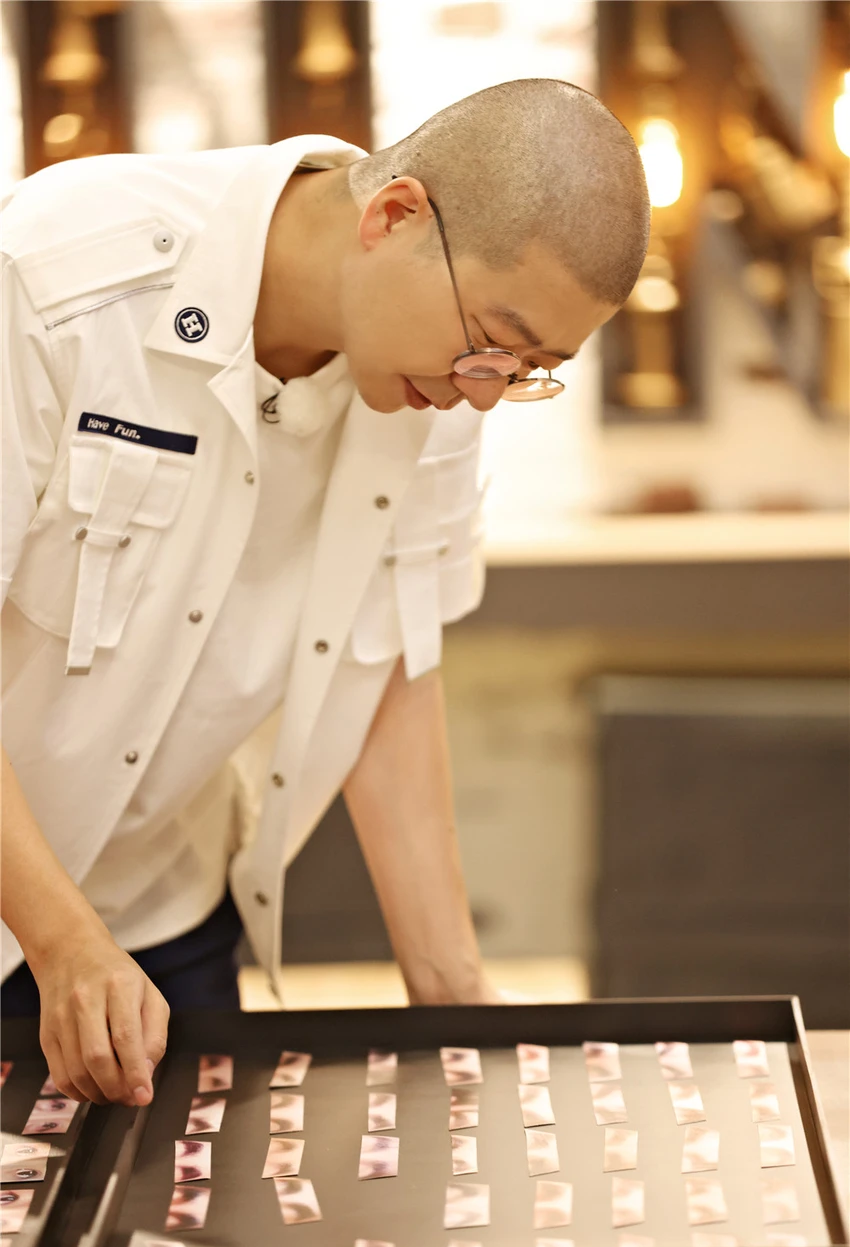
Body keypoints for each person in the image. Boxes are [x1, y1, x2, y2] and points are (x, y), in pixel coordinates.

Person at [1, 79, 649, 1109]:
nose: (487, 391)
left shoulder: (442, 383)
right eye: (494, 338)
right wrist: (61, 940)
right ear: (393, 216)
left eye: (530, 368)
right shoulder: (50, 279)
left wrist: (452, 994)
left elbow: (387, 661)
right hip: (49, 926)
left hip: (159, 922)